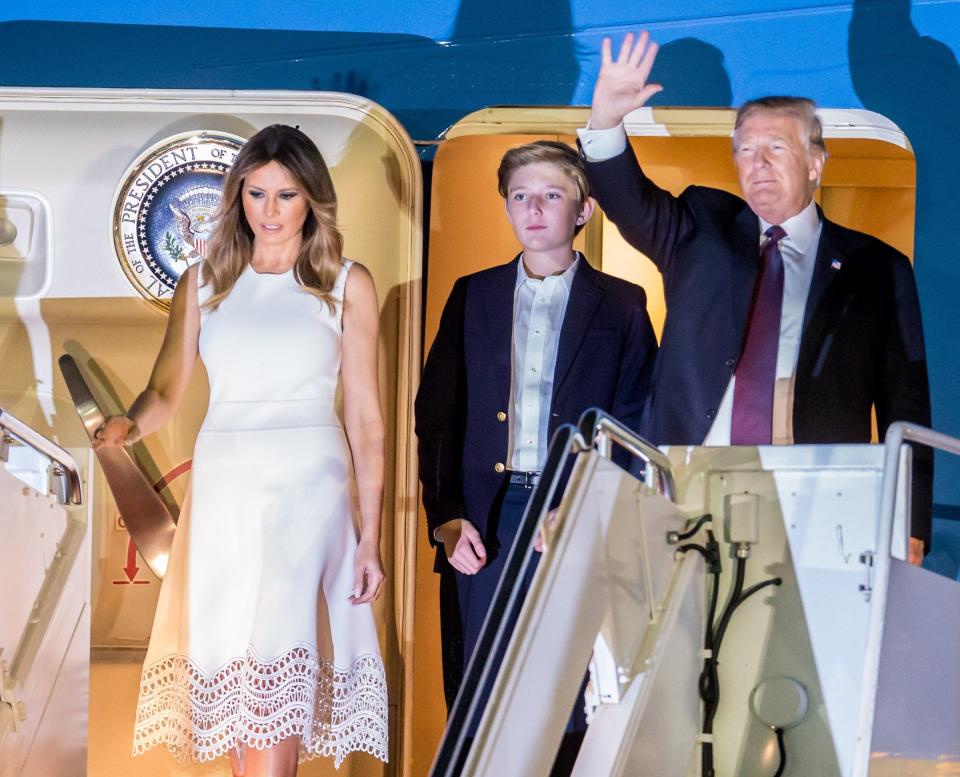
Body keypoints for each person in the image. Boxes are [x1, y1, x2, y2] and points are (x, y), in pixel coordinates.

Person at [94, 125, 389, 777]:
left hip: (309, 483)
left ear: (312, 199)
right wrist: (128, 423)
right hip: (227, 484)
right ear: (238, 196)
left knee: (280, 659)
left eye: (286, 194)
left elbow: (367, 419)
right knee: (232, 677)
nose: (271, 210)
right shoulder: (204, 283)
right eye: (257, 193)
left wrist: (369, 539)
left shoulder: (346, 283)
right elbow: (166, 388)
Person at [579, 32, 933, 560]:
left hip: (814, 490)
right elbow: (628, 201)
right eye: (745, 149)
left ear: (816, 162)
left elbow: (907, 404)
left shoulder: (876, 266)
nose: (758, 162)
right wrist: (605, 120)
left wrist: (910, 516)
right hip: (689, 485)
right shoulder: (700, 226)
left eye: (776, 148)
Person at [415, 140, 657, 773]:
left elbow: (636, 424)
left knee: (572, 695)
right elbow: (437, 419)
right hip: (485, 523)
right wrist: (444, 518)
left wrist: (589, 510)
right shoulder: (473, 295)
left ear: (584, 210)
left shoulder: (624, 304)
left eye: (551, 194)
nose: (534, 208)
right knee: (484, 698)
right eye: (520, 196)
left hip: (573, 518)